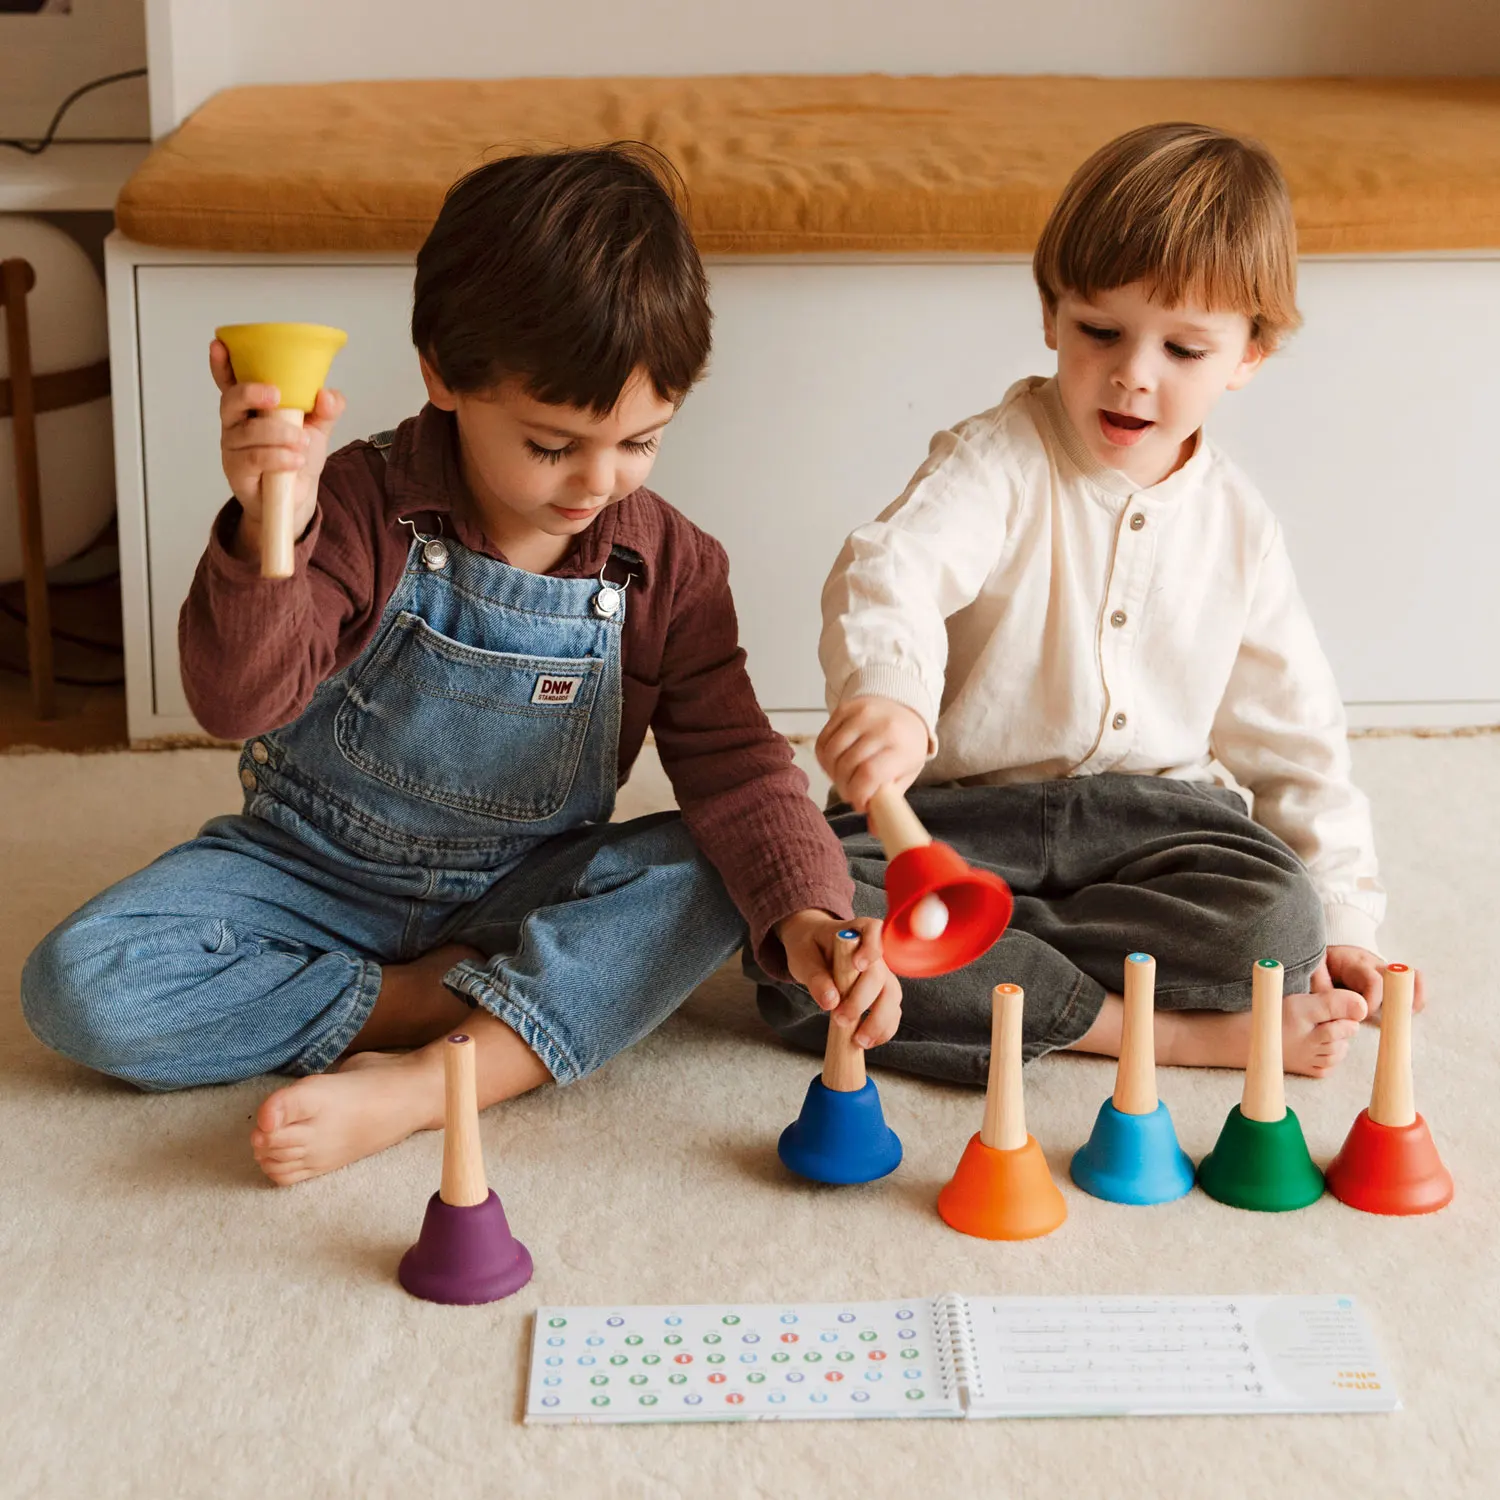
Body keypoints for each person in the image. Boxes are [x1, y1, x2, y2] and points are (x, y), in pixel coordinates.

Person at [21, 144, 900, 1184]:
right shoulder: (355, 506)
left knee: (719, 871)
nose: (597, 482)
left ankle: (433, 1082)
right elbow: (234, 700)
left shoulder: (671, 565)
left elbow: (739, 769)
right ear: (441, 372)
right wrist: (271, 524)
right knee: (79, 983)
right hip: (307, 872)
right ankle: (425, 1006)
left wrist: (808, 913)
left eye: (640, 442)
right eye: (551, 445)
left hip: (518, 890)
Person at [756, 122, 1422, 1087]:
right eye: (1100, 331)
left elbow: (1295, 736)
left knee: (1283, 919)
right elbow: (891, 571)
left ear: (1251, 353)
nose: (1133, 373)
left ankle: (987, 960)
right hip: (958, 822)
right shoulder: (994, 461)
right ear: (1051, 314)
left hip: (1154, 828)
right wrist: (890, 695)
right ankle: (1160, 1030)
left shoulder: (1240, 526)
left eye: (1183, 348)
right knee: (802, 927)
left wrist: (1347, 917)